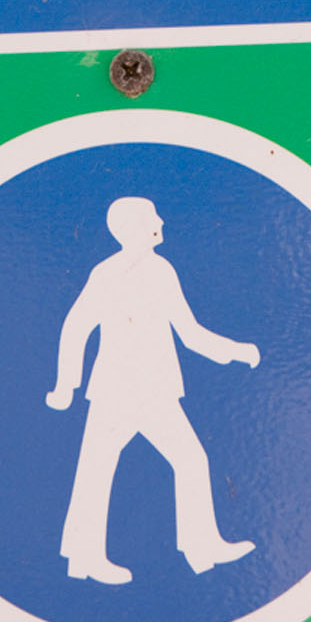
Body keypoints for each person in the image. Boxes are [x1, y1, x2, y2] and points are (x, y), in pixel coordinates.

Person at [46, 192, 261, 582]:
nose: (161, 221)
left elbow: (190, 333)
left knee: (191, 460)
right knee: (96, 470)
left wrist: (234, 351)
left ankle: (203, 548)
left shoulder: (162, 271)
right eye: (152, 217)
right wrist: (66, 386)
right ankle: (85, 560)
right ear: (132, 228)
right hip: (114, 389)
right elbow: (76, 326)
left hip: (156, 388)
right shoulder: (106, 274)